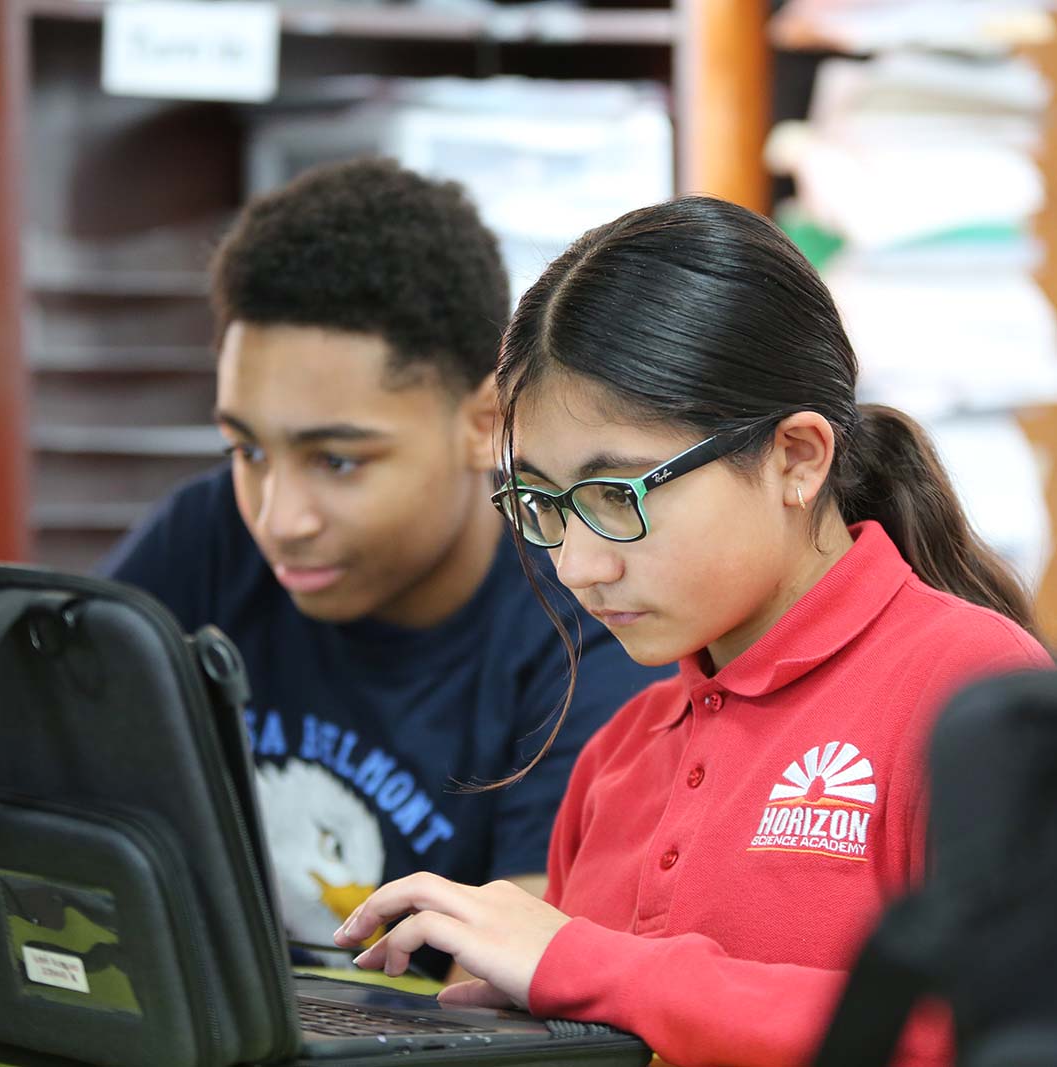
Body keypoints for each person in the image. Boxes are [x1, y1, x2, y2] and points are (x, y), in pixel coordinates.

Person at [334, 195, 1053, 1061]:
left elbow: (988, 1030)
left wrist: (596, 965)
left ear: (795, 457)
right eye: (542, 503)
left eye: (617, 495)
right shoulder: (621, 752)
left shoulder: (965, 684)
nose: (575, 565)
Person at [100, 158, 669, 981]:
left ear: (484, 423)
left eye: (336, 461)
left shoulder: (591, 619)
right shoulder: (208, 532)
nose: (277, 518)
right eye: (247, 449)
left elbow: (522, 982)